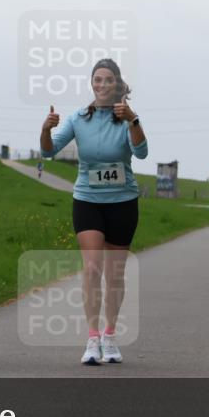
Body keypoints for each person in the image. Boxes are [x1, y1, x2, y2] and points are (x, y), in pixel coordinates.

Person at [40, 58, 147, 365]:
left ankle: (110, 336)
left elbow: (141, 152)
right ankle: (92, 338)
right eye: (97, 80)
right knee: (91, 268)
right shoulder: (78, 118)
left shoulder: (126, 118)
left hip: (123, 202)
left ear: (117, 85)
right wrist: (46, 129)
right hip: (87, 199)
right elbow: (48, 150)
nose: (102, 85)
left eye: (108, 80)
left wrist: (134, 120)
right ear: (92, 84)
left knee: (114, 273)